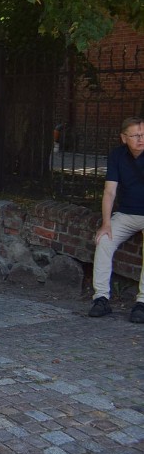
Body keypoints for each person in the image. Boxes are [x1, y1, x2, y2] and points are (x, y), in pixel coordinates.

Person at [89, 116, 144, 323]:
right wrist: (106, 223)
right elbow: (109, 191)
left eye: (143, 135)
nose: (141, 139)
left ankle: (142, 302)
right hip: (126, 214)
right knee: (104, 241)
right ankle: (101, 298)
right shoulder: (117, 155)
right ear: (124, 138)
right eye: (135, 135)